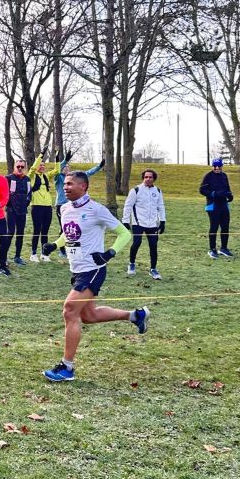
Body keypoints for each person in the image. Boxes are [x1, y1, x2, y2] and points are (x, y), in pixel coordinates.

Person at [39, 171, 149, 382]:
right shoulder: (64, 208)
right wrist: (55, 244)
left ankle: (67, 367)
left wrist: (109, 253)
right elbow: (69, 233)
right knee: (88, 316)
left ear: (83, 186)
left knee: (70, 310)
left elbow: (125, 233)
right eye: (65, 184)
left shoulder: (97, 209)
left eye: (70, 184)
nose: (65, 187)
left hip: (93, 268)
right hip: (76, 269)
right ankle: (135, 316)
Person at [54, 152, 105, 260]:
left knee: (76, 227)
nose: (66, 168)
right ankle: (62, 250)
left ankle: (75, 250)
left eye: (68, 167)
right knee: (65, 228)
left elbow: (88, 173)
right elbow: (57, 169)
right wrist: (64, 161)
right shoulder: (58, 177)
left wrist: (99, 166)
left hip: (75, 206)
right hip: (62, 205)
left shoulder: (75, 178)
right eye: (64, 167)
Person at [121, 168, 166, 280]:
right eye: (146, 177)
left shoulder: (158, 191)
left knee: (153, 246)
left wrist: (162, 221)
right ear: (143, 178)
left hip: (152, 224)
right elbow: (128, 206)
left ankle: (153, 269)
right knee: (137, 243)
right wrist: (125, 221)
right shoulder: (136, 190)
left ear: (154, 179)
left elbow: (161, 206)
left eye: (150, 177)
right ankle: (131, 263)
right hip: (138, 222)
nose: (148, 179)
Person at [27, 149, 59, 262]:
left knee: (45, 231)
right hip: (37, 207)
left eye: (43, 165)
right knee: (37, 231)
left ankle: (44, 254)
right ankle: (33, 254)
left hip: (47, 207)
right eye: (40, 165)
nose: (41, 167)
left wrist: (57, 159)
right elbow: (32, 168)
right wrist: (41, 155)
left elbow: (57, 171)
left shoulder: (46, 176)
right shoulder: (31, 176)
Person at [200, 158, 234, 258]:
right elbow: (202, 190)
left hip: (224, 205)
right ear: (212, 166)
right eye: (215, 166)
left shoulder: (224, 176)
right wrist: (213, 194)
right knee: (214, 227)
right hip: (213, 206)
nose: (217, 168)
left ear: (222, 166)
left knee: (225, 227)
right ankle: (212, 249)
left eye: (219, 166)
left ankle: (224, 248)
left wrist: (230, 195)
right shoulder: (208, 176)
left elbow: (227, 188)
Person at [5, 157, 32, 265]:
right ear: (14, 167)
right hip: (11, 210)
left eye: (22, 167)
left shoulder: (27, 179)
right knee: (10, 233)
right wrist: (9, 203)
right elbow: (4, 193)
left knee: (20, 234)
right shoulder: (8, 178)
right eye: (18, 166)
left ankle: (17, 256)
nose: (20, 168)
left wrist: (27, 202)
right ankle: (4, 257)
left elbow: (29, 193)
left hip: (22, 211)